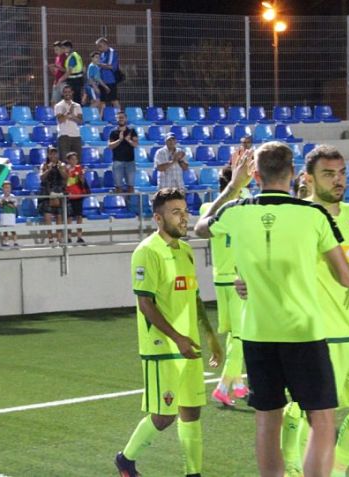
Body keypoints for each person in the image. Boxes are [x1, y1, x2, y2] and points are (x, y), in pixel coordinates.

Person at [194, 142, 349, 477]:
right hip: (303, 332)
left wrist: (233, 187)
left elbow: (201, 226)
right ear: (293, 172)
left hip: (257, 333)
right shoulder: (314, 215)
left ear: (255, 174)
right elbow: (345, 277)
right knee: (321, 419)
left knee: (268, 420)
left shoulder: (236, 211)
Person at [277, 145, 349, 477]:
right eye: (328, 173)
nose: (338, 180)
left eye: (341, 173)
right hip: (319, 336)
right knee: (318, 415)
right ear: (307, 178)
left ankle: (335, 469)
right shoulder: (297, 219)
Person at [115, 187, 222, 477]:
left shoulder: (186, 250)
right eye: (176, 212)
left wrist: (210, 336)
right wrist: (177, 338)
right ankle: (125, 459)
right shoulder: (147, 252)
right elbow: (145, 304)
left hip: (189, 344)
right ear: (158, 218)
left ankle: (193, 472)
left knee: (192, 410)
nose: (184, 217)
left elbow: (195, 297)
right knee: (164, 416)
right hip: (162, 346)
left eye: (185, 211)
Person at [198, 165, 248, 408]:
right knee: (241, 337)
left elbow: (203, 224)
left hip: (219, 279)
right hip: (238, 280)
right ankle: (223, 387)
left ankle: (238, 384)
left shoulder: (207, 209)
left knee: (233, 334)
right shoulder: (244, 207)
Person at [39, 146, 67, 246]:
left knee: (59, 216)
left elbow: (65, 177)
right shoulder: (44, 165)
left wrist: (60, 169)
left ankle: (59, 238)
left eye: (55, 153)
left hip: (58, 191)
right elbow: (41, 178)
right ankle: (50, 238)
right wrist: (49, 170)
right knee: (47, 216)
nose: (53, 155)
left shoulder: (61, 164)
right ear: (48, 154)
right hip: (47, 191)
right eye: (51, 153)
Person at [108, 111, 137, 194]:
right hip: (117, 161)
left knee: (131, 186)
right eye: (119, 117)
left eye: (122, 117)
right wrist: (119, 140)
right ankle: (120, 205)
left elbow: (135, 145)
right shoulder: (113, 132)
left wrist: (128, 140)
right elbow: (110, 146)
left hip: (130, 161)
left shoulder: (132, 131)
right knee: (118, 187)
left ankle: (131, 205)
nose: (121, 119)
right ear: (116, 119)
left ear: (126, 119)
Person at [54, 85, 82, 164]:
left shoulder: (77, 106)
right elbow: (60, 120)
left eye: (69, 92)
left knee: (77, 161)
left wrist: (72, 116)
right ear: (62, 93)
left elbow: (80, 121)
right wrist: (69, 112)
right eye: (65, 92)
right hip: (64, 135)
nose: (67, 94)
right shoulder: (58, 106)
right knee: (64, 161)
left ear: (72, 93)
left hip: (76, 135)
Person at [64, 151, 87, 244]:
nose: (74, 161)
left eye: (75, 159)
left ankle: (79, 237)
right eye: (72, 159)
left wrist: (81, 176)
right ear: (68, 160)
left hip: (78, 195)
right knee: (69, 217)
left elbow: (82, 181)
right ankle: (69, 237)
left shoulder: (79, 168)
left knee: (79, 216)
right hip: (69, 196)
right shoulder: (65, 169)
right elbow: (65, 181)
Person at [96, 37, 121, 113]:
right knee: (102, 101)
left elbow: (111, 66)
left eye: (100, 46)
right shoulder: (102, 54)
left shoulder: (112, 52)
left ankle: (119, 115)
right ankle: (100, 119)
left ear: (105, 44)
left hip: (110, 80)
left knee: (114, 100)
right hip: (102, 81)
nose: (99, 48)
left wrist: (99, 64)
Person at [0, 180, 18, 247]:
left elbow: (14, 206)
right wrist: (2, 202)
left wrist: (8, 202)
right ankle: (6, 242)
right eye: (5, 187)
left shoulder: (13, 196)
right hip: (4, 214)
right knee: (5, 229)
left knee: (12, 229)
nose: (7, 189)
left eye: (8, 187)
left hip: (11, 214)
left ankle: (15, 241)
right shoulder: (1, 197)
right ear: (3, 189)